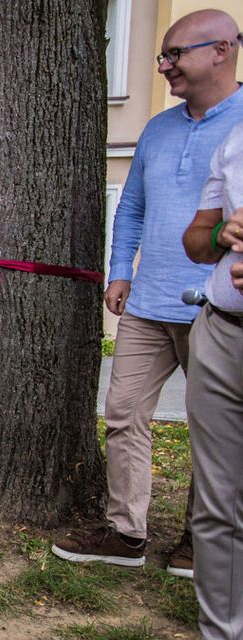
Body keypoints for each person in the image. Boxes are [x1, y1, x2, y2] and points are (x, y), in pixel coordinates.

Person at [52, 10, 243, 580]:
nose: (164, 66)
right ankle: (127, 531)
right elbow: (131, 205)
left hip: (217, 309)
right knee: (123, 413)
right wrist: (120, 272)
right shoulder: (159, 128)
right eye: (161, 55)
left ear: (221, 50)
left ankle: (197, 540)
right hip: (147, 303)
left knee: (213, 431)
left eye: (174, 54)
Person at [182, 114, 243, 638]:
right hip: (223, 330)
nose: (164, 65)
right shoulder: (234, 141)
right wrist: (221, 233)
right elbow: (197, 241)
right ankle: (221, 630)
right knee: (217, 506)